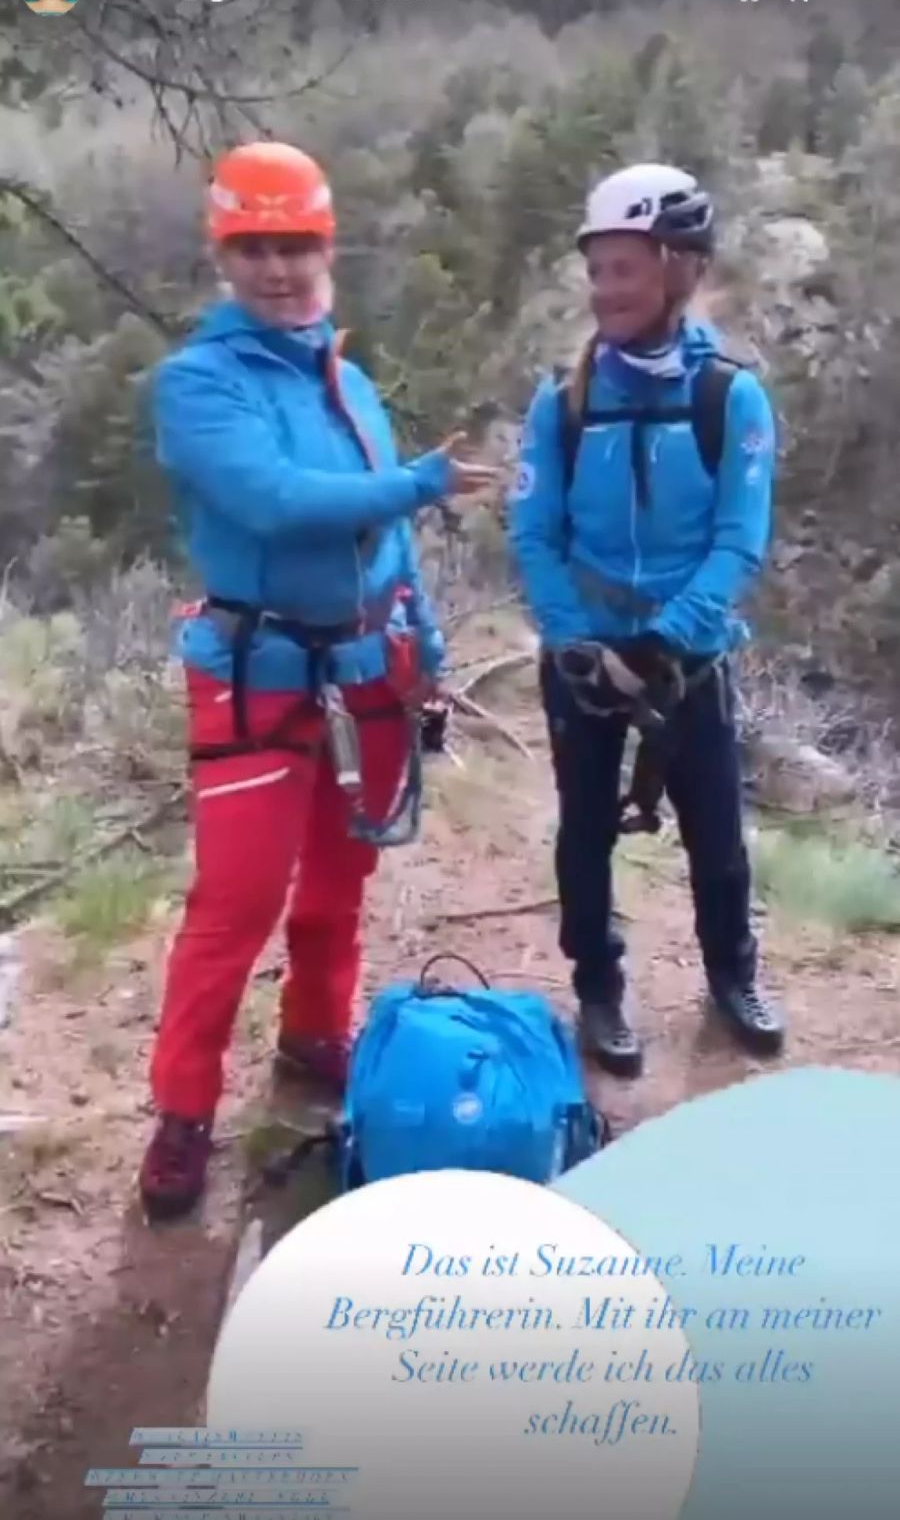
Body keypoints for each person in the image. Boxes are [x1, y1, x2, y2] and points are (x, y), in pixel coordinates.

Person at [139, 140, 496, 1221]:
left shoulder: (343, 380)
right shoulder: (199, 384)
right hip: (259, 675)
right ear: (224, 255)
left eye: (295, 245)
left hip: (366, 662)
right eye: (255, 248)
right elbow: (278, 502)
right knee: (235, 902)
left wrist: (425, 644)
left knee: (341, 886)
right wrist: (422, 481)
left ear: (324, 246)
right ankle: (183, 1110)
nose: (278, 269)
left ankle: (313, 1035)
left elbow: (382, 551)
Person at [508, 162, 783, 1078]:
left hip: (689, 655)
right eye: (598, 271)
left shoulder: (728, 398)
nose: (606, 290)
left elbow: (739, 543)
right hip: (585, 643)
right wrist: (572, 637)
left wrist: (669, 639)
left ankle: (733, 974)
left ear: (680, 269)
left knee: (715, 829)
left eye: (625, 269)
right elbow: (535, 530)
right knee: (583, 825)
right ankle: (598, 987)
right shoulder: (566, 398)